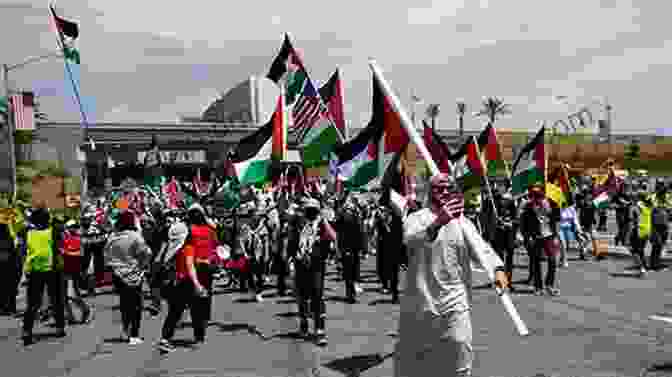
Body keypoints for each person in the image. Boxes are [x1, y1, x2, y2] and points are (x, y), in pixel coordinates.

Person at [394, 174, 507, 377]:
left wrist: (497, 269)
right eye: (439, 188)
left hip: (455, 298)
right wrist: (438, 223)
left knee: (460, 343)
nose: (444, 192)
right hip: (422, 300)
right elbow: (411, 240)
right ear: (430, 192)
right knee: (415, 359)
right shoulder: (416, 218)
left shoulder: (463, 223)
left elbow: (482, 249)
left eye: (448, 188)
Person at [157, 222, 209, 353]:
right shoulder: (188, 247)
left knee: (174, 312)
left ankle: (165, 338)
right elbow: (190, 267)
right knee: (196, 310)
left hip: (174, 283)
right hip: (187, 282)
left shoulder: (171, 248)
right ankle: (199, 336)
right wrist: (197, 284)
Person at [104, 210, 152, 345]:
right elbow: (147, 253)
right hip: (134, 274)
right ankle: (134, 335)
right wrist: (143, 266)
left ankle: (125, 330)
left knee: (124, 304)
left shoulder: (112, 237)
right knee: (136, 305)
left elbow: (106, 256)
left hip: (117, 275)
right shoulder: (135, 236)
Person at [293, 197, 337, 346]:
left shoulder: (322, 225)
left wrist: (323, 219)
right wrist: (291, 259)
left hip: (317, 266)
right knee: (302, 297)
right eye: (308, 210)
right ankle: (304, 323)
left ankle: (320, 330)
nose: (311, 213)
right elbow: (292, 242)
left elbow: (334, 237)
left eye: (313, 210)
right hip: (301, 265)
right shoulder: (298, 224)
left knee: (318, 296)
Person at [21, 207, 67, 346]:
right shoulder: (54, 231)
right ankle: (60, 327)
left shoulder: (28, 233)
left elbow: (24, 250)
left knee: (32, 303)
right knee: (56, 299)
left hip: (34, 270)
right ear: (48, 219)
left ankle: (27, 330)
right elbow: (60, 246)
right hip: (52, 269)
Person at [0, 223, 20, 315]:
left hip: (7, 268)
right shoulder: (10, 240)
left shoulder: (9, 241)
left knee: (5, 289)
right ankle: (11, 307)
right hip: (10, 268)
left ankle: (5, 308)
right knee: (10, 289)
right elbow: (14, 255)